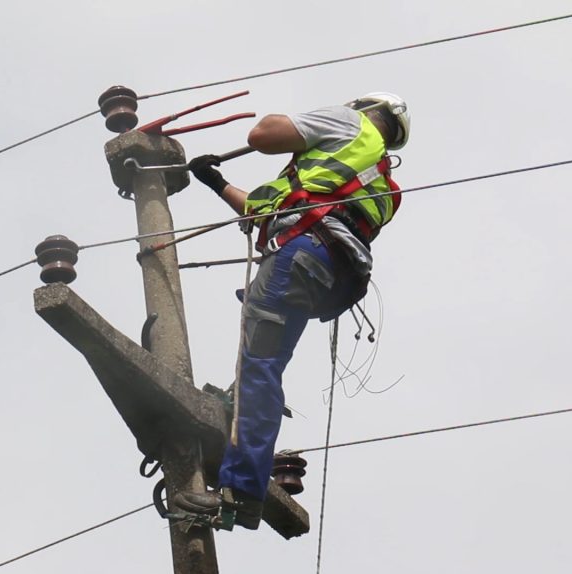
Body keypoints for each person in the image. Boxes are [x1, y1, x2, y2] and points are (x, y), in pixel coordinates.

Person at [171, 93, 411, 530]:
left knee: (258, 367)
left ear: (364, 107)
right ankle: (242, 484)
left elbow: (263, 133)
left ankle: (240, 490)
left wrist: (301, 130)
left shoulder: (350, 123)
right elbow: (265, 210)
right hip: (321, 273)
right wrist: (215, 182)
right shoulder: (374, 180)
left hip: (298, 257)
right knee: (264, 366)